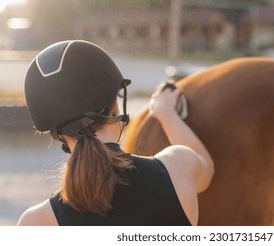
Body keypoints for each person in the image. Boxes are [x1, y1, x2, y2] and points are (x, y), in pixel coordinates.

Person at [17, 40, 214, 226]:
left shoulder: (36, 223)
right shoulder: (179, 166)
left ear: (56, 133)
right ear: (115, 108)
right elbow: (206, 166)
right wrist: (166, 113)